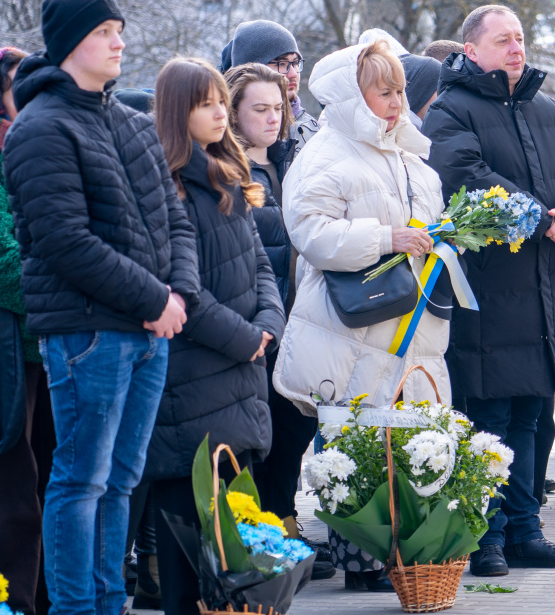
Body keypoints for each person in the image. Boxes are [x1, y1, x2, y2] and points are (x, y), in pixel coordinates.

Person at [2, 0, 200, 615]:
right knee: (80, 481)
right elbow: (64, 241)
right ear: (70, 44)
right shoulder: (39, 128)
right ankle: (76, 609)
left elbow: (176, 220)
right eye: (105, 31)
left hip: (150, 329)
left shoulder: (133, 123)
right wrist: (152, 298)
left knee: (120, 482)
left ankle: (109, 603)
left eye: (120, 29)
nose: (120, 41)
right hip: (88, 332)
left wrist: (179, 295)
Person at [422, 4, 555, 576]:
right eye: (503, 40)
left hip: (544, 289)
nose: (516, 48)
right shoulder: (451, 109)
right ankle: (487, 537)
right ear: (471, 51)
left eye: (520, 37)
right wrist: (536, 215)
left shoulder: (543, 107)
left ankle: (526, 529)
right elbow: (463, 175)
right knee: (490, 420)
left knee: (530, 417)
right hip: (489, 294)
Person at [272, 40, 450, 591]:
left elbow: (435, 226)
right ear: (353, 95)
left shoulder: (408, 154)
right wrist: (386, 238)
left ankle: (406, 552)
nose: (397, 102)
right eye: (384, 91)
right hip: (350, 322)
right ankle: (359, 559)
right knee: (353, 440)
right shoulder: (325, 154)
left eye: (400, 91)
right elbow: (310, 232)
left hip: (411, 322)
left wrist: (450, 243)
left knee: (409, 434)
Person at [145, 57, 285, 615]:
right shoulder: (168, 187)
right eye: (207, 103)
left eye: (221, 102)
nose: (220, 113)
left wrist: (268, 328)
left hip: (241, 376)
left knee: (234, 555)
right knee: (189, 553)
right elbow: (186, 295)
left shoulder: (227, 178)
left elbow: (262, 268)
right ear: (180, 112)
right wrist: (247, 339)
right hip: (193, 384)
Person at [222, 62, 333, 576]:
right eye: (259, 109)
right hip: (252, 321)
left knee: (294, 424)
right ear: (234, 113)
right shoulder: (229, 168)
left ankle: (283, 515)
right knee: (260, 432)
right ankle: (264, 531)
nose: (273, 118)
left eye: (279, 108)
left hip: (301, 314)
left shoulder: (297, 160)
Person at [0, 44, 57, 615]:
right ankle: (15, 604)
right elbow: (6, 256)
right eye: (19, 85)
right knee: (15, 488)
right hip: (7, 341)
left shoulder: (44, 148)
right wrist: (55, 286)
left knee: (55, 478)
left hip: (55, 340)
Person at [219, 19, 319, 152]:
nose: (293, 73)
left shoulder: (312, 130)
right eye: (281, 64)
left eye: (295, 63)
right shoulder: (219, 134)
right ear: (254, 70)